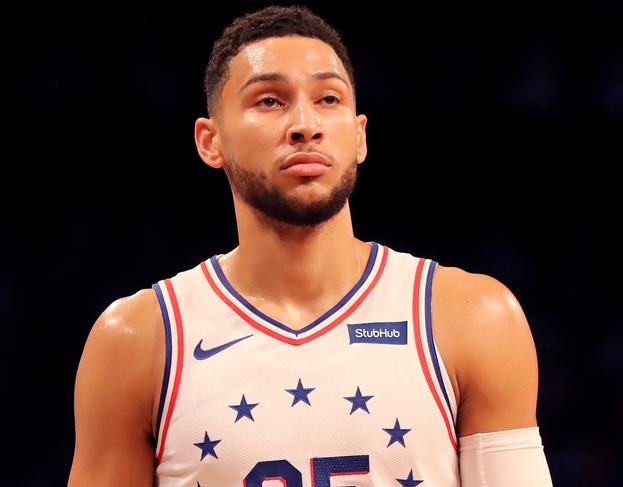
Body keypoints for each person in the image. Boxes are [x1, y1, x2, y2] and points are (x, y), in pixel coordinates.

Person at [68, 5, 553, 486]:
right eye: (269, 101)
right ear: (209, 141)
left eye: (328, 99)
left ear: (359, 137)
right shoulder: (134, 342)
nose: (305, 124)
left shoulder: (473, 317)